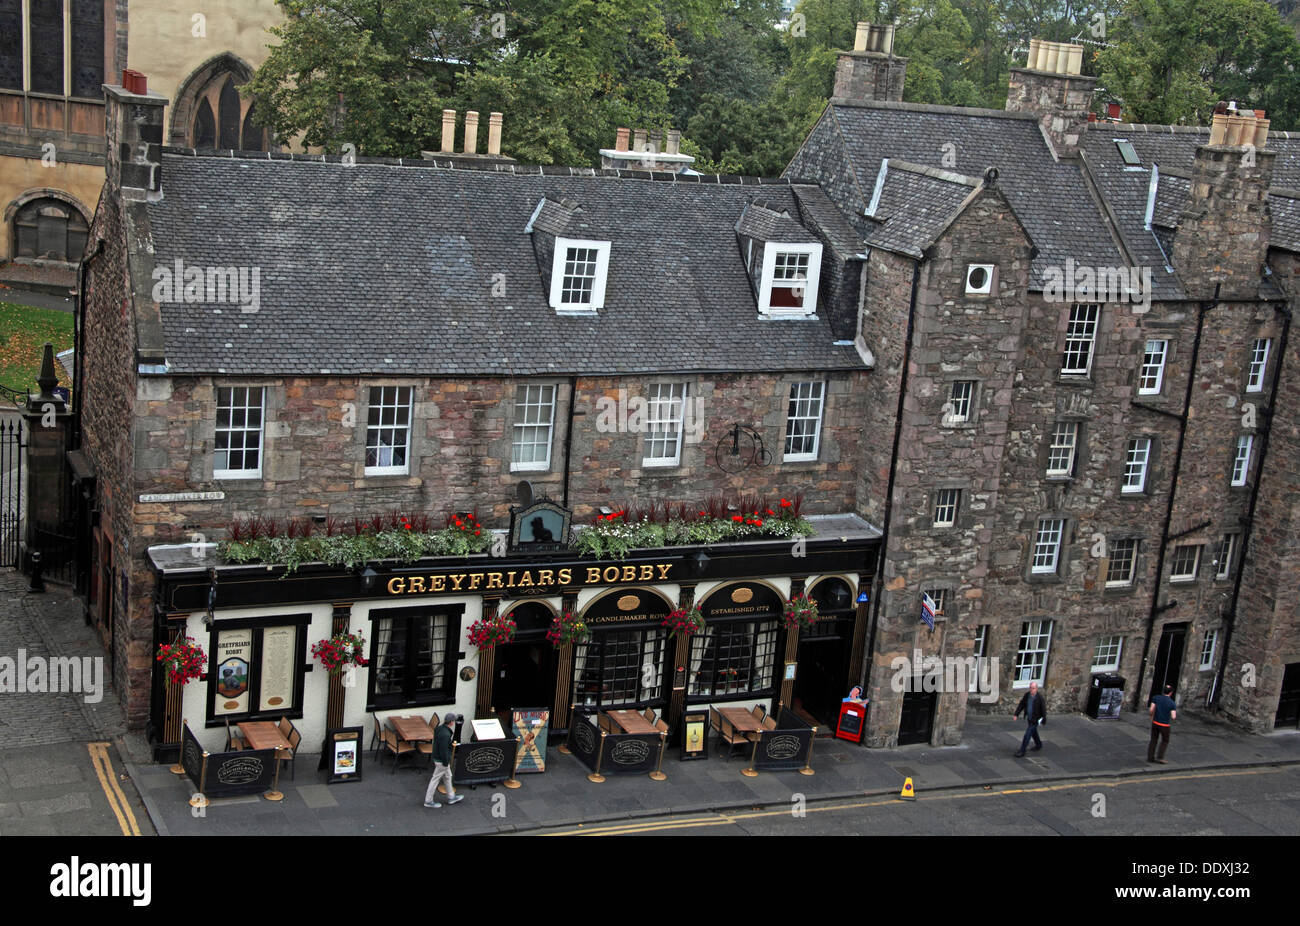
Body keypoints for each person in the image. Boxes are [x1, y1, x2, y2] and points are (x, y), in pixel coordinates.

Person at [424, 712, 464, 808]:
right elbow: (444, 750)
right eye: (453, 721)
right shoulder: (446, 735)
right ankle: (428, 801)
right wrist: (446, 762)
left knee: (448, 776)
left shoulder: (439, 728)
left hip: (437, 758)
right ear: (451, 722)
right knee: (435, 779)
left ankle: (451, 797)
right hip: (442, 761)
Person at [1012, 681, 1047, 756]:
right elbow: (1021, 705)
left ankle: (1022, 751)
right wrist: (1016, 714)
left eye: (1033, 688)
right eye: (1030, 688)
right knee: (1033, 732)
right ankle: (1038, 744)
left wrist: (1043, 720)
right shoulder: (1027, 695)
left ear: (1036, 689)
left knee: (1027, 735)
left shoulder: (1040, 698)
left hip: (1035, 720)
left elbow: (1043, 710)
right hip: (1029, 718)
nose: (1031, 690)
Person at [1148, 685, 1177, 764]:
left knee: (1153, 739)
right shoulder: (1172, 703)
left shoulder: (1156, 698)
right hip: (1164, 725)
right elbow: (1173, 716)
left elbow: (1151, 710)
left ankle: (1150, 757)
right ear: (1171, 693)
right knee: (1165, 740)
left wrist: (1151, 716)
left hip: (1155, 722)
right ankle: (1160, 757)